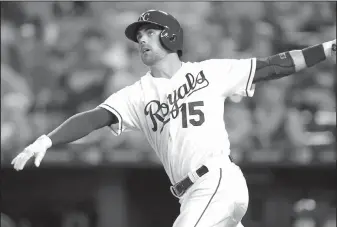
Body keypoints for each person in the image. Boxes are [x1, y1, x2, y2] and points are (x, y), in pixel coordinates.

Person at [11, 9, 336, 227]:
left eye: (149, 32)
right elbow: (94, 118)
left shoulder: (209, 72)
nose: (141, 39)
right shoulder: (136, 94)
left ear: (170, 36)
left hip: (216, 180)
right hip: (192, 194)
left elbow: (273, 65)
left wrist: (326, 49)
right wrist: (48, 139)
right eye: (139, 35)